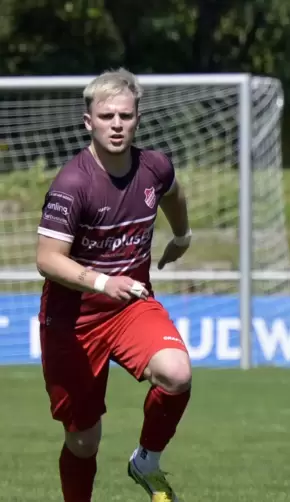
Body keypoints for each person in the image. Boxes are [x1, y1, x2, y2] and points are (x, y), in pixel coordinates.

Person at [35, 67, 194, 502]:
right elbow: (47, 259)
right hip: (73, 321)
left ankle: (146, 461)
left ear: (138, 117)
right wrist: (103, 281)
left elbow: (174, 192)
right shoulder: (73, 183)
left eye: (125, 115)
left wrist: (182, 236)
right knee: (83, 442)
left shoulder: (155, 166)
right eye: (106, 116)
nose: (117, 124)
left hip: (129, 308)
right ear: (88, 121)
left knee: (176, 373)